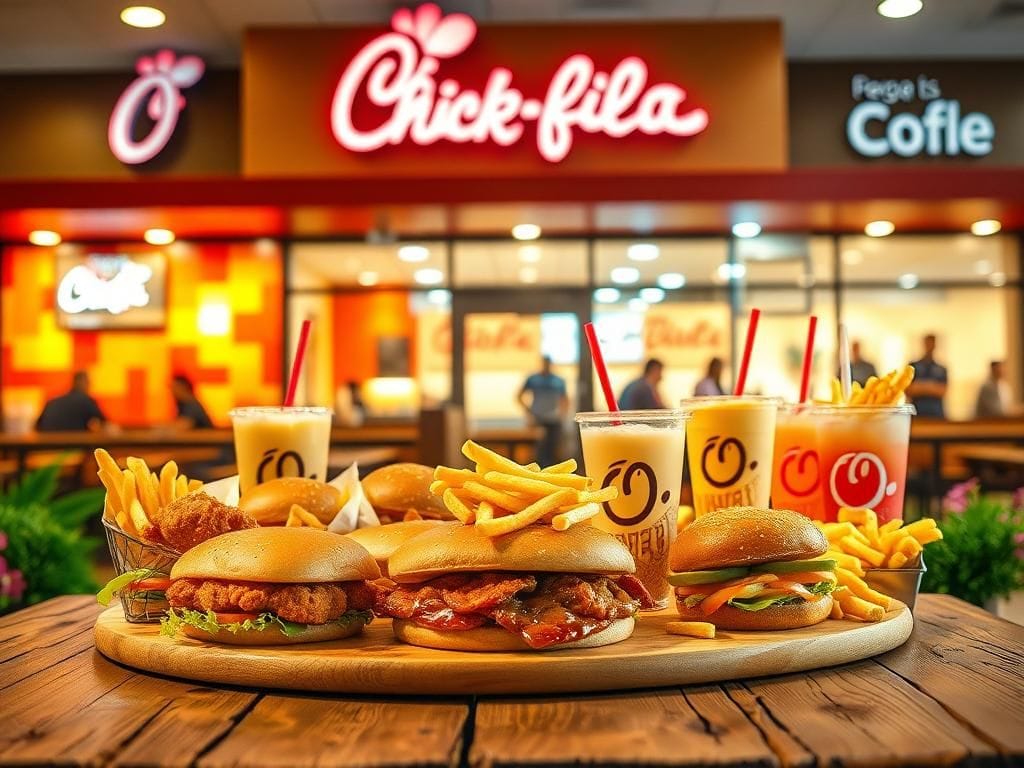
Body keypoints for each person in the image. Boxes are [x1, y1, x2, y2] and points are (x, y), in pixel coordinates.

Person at [518, 357, 569, 467]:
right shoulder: (533, 379)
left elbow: (565, 399)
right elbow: (519, 395)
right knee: (538, 449)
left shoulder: (558, 381)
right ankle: (537, 472)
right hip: (537, 418)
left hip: (554, 419)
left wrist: (562, 414)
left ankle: (552, 472)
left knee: (553, 448)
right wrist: (528, 411)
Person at [35, 371, 107, 432]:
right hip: (74, 445)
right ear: (83, 382)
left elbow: (37, 426)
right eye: (88, 383)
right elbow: (104, 422)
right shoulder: (85, 400)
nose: (90, 386)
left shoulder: (52, 402)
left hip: (46, 445)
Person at [906, 334, 948, 419]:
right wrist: (932, 386)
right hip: (917, 414)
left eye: (932, 343)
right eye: (928, 343)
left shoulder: (941, 369)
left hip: (937, 415)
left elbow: (942, 391)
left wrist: (920, 386)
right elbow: (908, 389)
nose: (930, 346)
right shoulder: (912, 367)